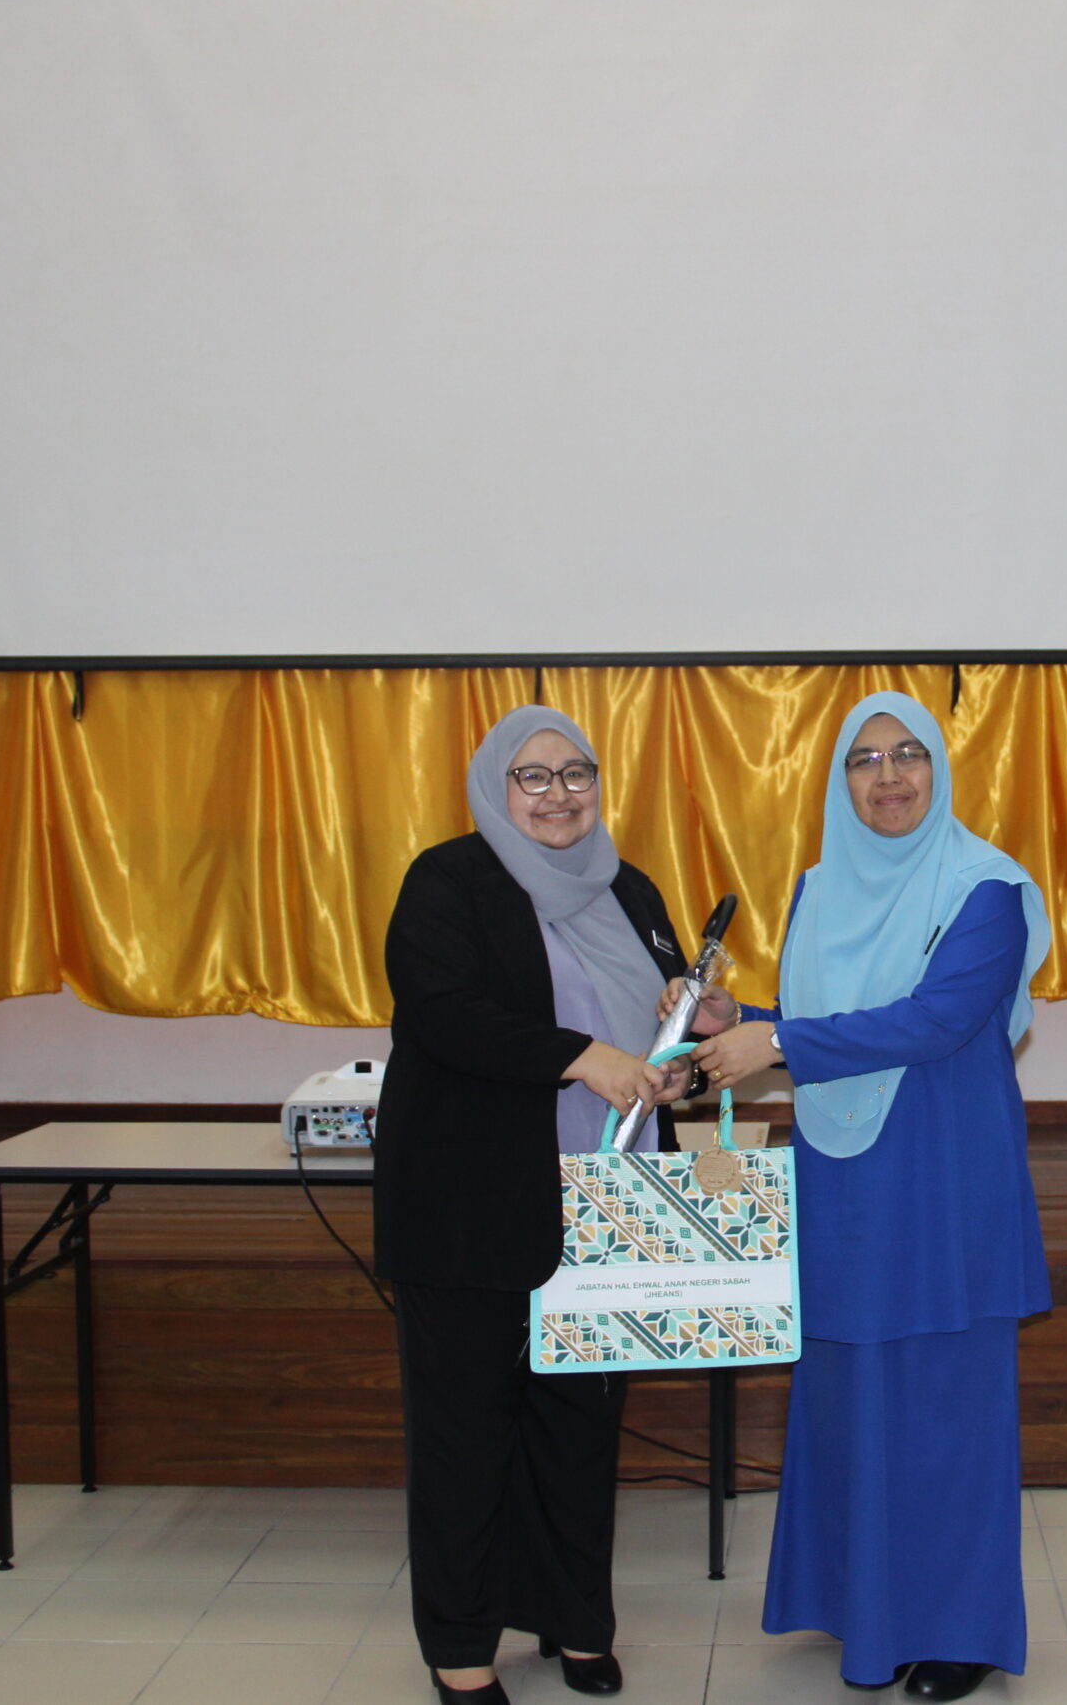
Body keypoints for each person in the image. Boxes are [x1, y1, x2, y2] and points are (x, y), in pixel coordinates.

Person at [685, 691, 1051, 1702]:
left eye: (908, 755)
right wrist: (736, 1015)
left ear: (939, 769)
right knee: (850, 1392)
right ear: (840, 781)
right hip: (843, 1171)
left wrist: (778, 1041)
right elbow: (827, 1013)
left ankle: (960, 1629)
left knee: (945, 1401)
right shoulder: (820, 885)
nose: (888, 777)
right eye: (864, 759)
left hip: (941, 1175)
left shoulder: (985, 888)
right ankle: (864, 1608)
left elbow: (933, 1020)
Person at [375, 705, 694, 1705]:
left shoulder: (630, 888)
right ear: (494, 788)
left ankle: (575, 1621)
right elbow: (445, 1014)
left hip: (605, 1203)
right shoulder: (448, 881)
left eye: (576, 773)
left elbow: (659, 1026)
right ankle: (461, 1648)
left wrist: (684, 1046)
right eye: (534, 776)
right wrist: (581, 1056)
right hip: (469, 1209)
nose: (560, 794)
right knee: (466, 1435)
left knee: (580, 1429)